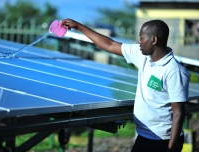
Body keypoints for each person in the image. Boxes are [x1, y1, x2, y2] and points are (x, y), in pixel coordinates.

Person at [62, 18, 189, 152]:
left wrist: (170, 149)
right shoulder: (144, 56)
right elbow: (110, 44)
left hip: (163, 141)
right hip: (145, 136)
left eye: (141, 37)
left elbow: (178, 113)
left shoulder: (174, 71)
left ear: (154, 40)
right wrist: (79, 26)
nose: (139, 41)